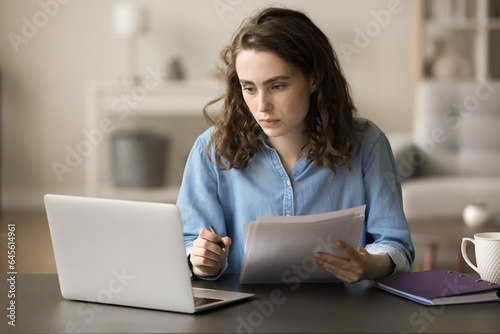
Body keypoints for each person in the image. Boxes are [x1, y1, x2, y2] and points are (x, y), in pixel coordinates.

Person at [177, 7, 414, 284]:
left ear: (314, 78)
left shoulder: (367, 143)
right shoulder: (211, 149)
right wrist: (201, 261)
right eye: (249, 88)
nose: (262, 105)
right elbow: (189, 243)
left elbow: (396, 246)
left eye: (277, 86)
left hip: (344, 316)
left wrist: (370, 265)